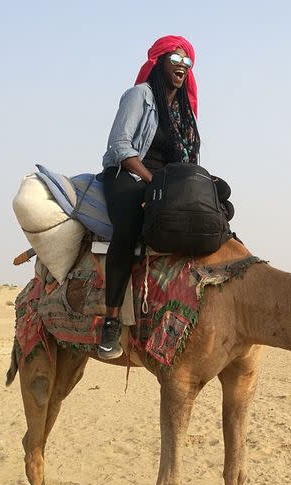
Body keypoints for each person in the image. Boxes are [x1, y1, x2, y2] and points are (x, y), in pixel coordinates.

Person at [97, 36, 200, 360]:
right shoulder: (139, 96)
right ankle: (111, 322)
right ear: (160, 62)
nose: (182, 67)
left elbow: (188, 160)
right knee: (127, 230)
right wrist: (151, 181)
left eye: (188, 63)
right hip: (128, 176)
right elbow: (120, 145)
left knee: (212, 208)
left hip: (164, 184)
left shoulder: (184, 112)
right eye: (176, 59)